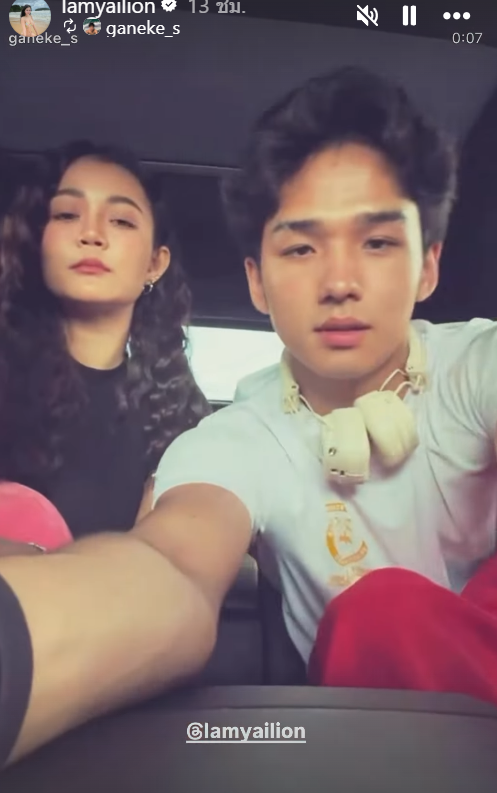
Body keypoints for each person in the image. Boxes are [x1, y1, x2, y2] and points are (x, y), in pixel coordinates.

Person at [1, 66, 497, 768]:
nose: (340, 282)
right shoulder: (235, 438)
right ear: (256, 283)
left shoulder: (476, 363)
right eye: (301, 248)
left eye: (377, 243)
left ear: (428, 268)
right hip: (389, 746)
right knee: (380, 611)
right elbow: (169, 564)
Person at [0, 141, 210, 549]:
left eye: (121, 221)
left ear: (155, 264)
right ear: (38, 243)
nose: (92, 234)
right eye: (67, 214)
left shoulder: (183, 422)